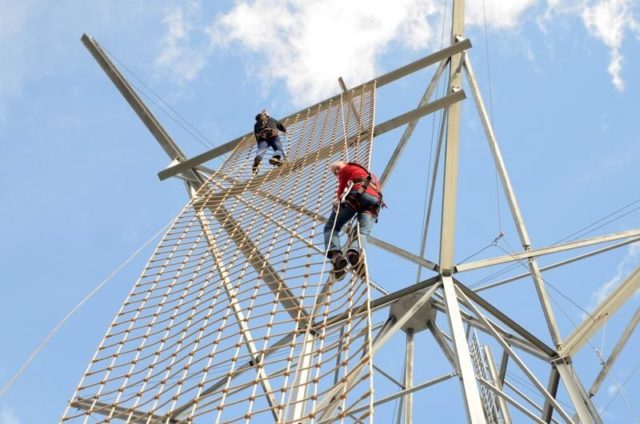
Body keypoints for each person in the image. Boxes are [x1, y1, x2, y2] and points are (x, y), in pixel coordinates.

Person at [324, 161, 384, 279]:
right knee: (362, 232)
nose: (337, 172)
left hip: (358, 194)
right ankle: (353, 253)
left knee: (330, 227)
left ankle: (337, 257)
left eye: (337, 169)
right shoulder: (370, 174)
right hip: (375, 202)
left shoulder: (346, 169)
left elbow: (342, 190)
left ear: (343, 165)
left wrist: (338, 201)